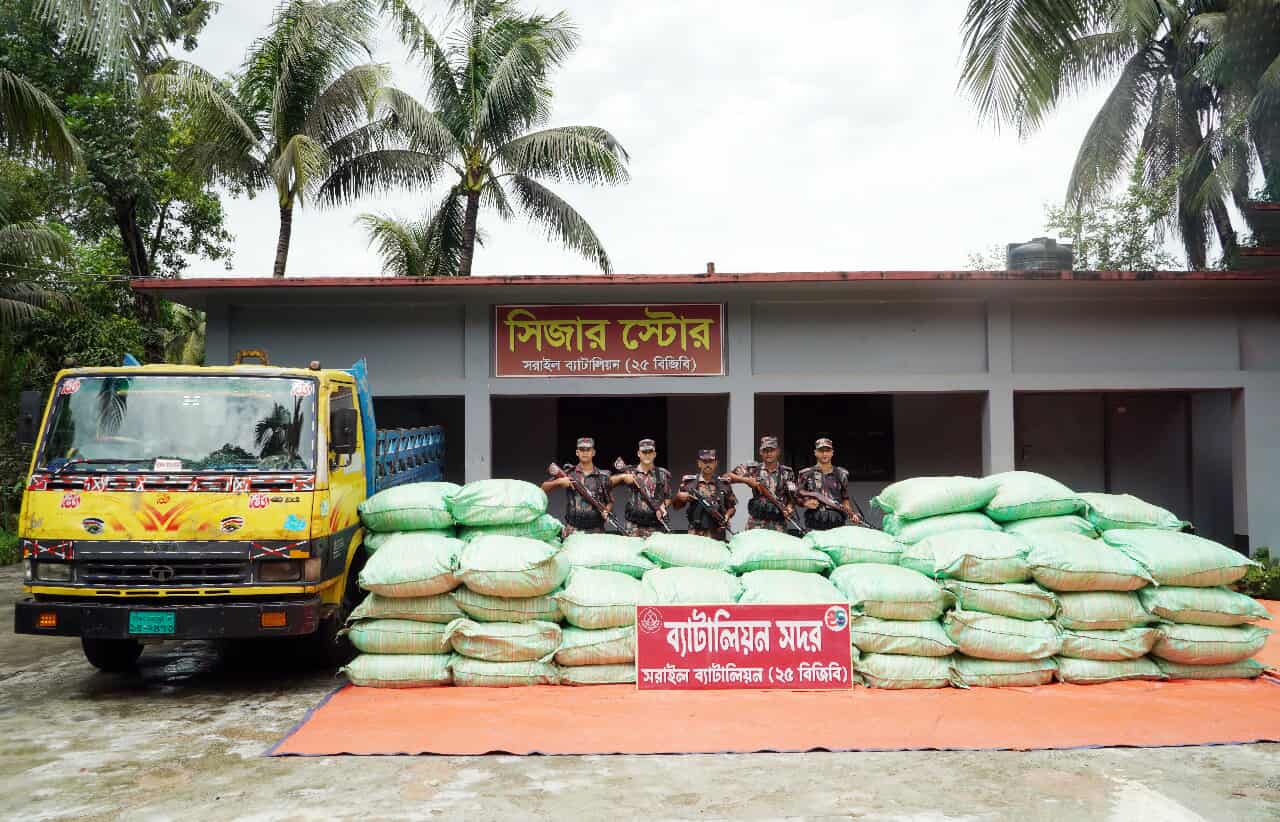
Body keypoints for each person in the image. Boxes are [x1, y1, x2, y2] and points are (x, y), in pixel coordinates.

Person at [541, 436, 613, 535]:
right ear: (577, 452)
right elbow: (543, 488)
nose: (585, 452)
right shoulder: (569, 473)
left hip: (596, 530)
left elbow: (610, 502)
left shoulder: (603, 476)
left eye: (588, 450)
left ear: (593, 452)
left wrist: (606, 511)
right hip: (572, 530)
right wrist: (559, 481)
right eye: (582, 449)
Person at [726, 436, 796, 532]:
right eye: (765, 451)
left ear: (778, 451)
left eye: (772, 450)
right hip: (756, 522)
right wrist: (746, 480)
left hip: (778, 523)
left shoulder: (787, 472)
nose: (768, 454)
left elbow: (792, 497)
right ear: (760, 452)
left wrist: (789, 507)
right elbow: (726, 477)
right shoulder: (753, 468)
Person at [796, 437, 863, 531]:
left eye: (827, 451)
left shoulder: (841, 474)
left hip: (836, 521)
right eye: (821, 451)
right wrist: (805, 503)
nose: (824, 454)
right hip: (815, 521)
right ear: (815, 452)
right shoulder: (806, 474)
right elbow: (797, 497)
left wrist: (852, 514)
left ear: (832, 453)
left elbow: (845, 499)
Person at [611, 438, 673, 537]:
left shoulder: (662, 474)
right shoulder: (630, 472)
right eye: (644, 452)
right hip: (634, 525)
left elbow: (668, 497)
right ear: (639, 453)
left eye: (650, 452)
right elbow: (607, 483)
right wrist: (622, 477)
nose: (647, 455)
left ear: (654, 454)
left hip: (656, 524)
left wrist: (663, 507)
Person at [672, 448, 737, 541]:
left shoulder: (724, 484)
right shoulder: (689, 483)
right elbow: (676, 506)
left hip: (717, 534)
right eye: (704, 461)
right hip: (695, 534)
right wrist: (679, 497)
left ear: (715, 463)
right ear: (699, 463)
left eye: (711, 461)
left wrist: (726, 516)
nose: (708, 464)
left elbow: (732, 507)